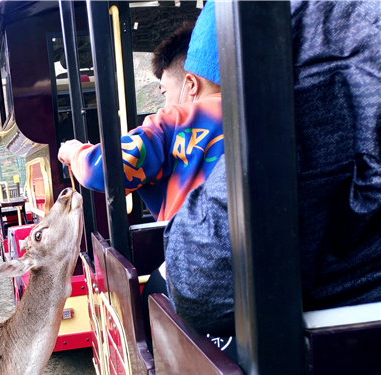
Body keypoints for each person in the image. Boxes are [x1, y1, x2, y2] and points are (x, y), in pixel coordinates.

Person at [164, 1, 381, 336]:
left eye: (166, 93)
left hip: (336, 350)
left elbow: (203, 282)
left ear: (191, 85)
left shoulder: (310, 38)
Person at [57, 1, 222, 223]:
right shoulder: (269, 113)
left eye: (165, 93)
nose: (164, 106)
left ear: (191, 84)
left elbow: (103, 170)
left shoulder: (175, 122)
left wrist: (73, 151)